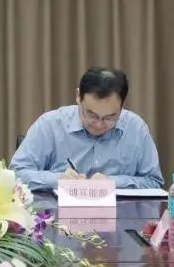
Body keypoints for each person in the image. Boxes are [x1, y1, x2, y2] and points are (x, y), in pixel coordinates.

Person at [10, 67, 163, 191]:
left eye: (110, 117)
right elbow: (16, 174)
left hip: (122, 215)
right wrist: (58, 179)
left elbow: (154, 182)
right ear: (78, 97)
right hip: (56, 215)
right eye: (91, 115)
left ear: (122, 104)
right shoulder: (50, 124)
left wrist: (113, 182)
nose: (99, 124)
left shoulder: (136, 128)